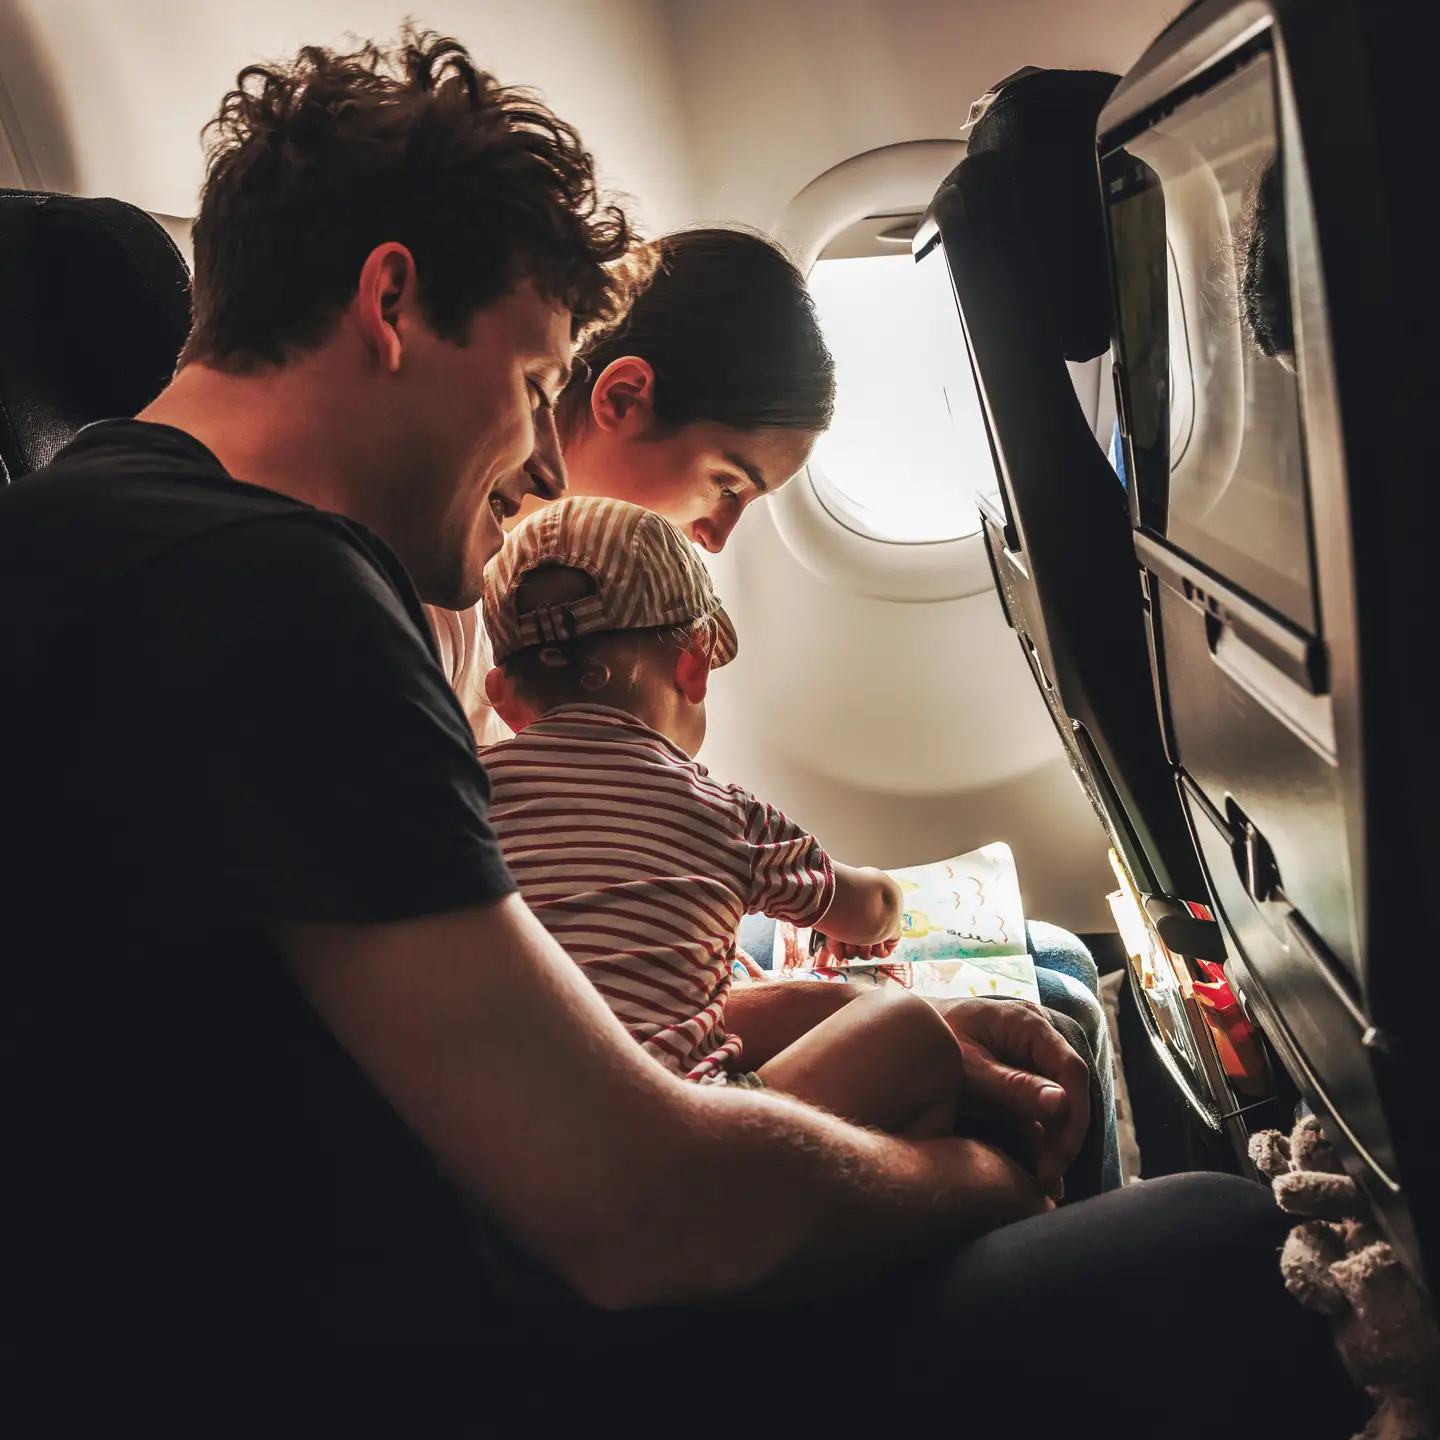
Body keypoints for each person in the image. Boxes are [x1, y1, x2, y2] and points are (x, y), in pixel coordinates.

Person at [0, 30, 1366, 1433]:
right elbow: (648, 1217)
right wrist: (985, 1182)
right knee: (1221, 1256)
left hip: (326, 1292)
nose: (543, 457)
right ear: (391, 302)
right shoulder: (273, 593)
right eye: (536, 383)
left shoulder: (97, 526)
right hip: (446, 1362)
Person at [428, 223, 1122, 1183]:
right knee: (1050, 1008)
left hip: (600, 993)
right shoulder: (457, 602)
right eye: (727, 484)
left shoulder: (547, 610)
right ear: (622, 397)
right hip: (595, 1061)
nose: (715, 538)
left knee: (1062, 972)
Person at [481, 496, 1095, 1174]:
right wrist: (884, 897)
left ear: (502, 697)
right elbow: (866, 913)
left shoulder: (464, 797)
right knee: (908, 1029)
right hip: (688, 1141)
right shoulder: (720, 810)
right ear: (693, 664)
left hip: (514, 1146)